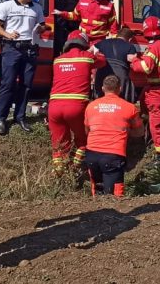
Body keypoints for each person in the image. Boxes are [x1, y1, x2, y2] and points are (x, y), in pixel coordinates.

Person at [0, 0, 48, 135]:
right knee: (7, 84)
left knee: (27, 84)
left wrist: (40, 29)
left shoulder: (36, 8)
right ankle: (1, 118)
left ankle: (20, 117)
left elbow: (42, 24)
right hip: (12, 48)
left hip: (30, 49)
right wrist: (7, 34)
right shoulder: (6, 6)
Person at [47, 32, 106, 178]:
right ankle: (76, 167)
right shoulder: (86, 57)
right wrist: (95, 49)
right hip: (76, 105)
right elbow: (102, 61)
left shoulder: (58, 60)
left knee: (59, 142)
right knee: (83, 139)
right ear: (84, 44)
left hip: (54, 106)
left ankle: (59, 172)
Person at [83, 75, 142, 198]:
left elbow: (87, 130)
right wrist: (126, 132)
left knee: (98, 191)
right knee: (113, 196)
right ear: (119, 89)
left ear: (103, 88)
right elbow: (139, 132)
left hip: (91, 155)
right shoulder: (130, 108)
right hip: (113, 156)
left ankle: (96, 214)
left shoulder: (91, 106)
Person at [131, 15, 160, 167]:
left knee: (156, 122)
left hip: (158, 90)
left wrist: (134, 60)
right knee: (143, 99)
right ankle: (146, 132)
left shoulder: (154, 48)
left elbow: (144, 68)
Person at [52, 0, 118, 45]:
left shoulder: (109, 5)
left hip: (99, 40)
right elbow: (75, 15)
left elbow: (113, 24)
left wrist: (115, 40)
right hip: (83, 38)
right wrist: (61, 13)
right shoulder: (83, 1)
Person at [93, 27, 139, 103]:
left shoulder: (103, 42)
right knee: (121, 100)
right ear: (130, 39)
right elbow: (132, 60)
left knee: (100, 99)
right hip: (120, 76)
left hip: (102, 73)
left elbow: (90, 51)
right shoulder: (130, 46)